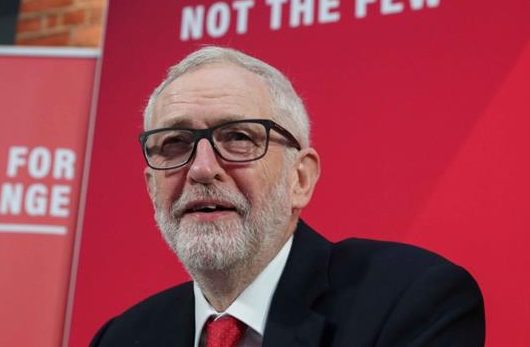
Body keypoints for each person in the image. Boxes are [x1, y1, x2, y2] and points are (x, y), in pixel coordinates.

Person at [89, 47, 484, 347]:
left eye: (239, 138)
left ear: (300, 178)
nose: (202, 168)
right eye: (174, 144)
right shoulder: (122, 337)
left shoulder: (411, 299)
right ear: (150, 186)